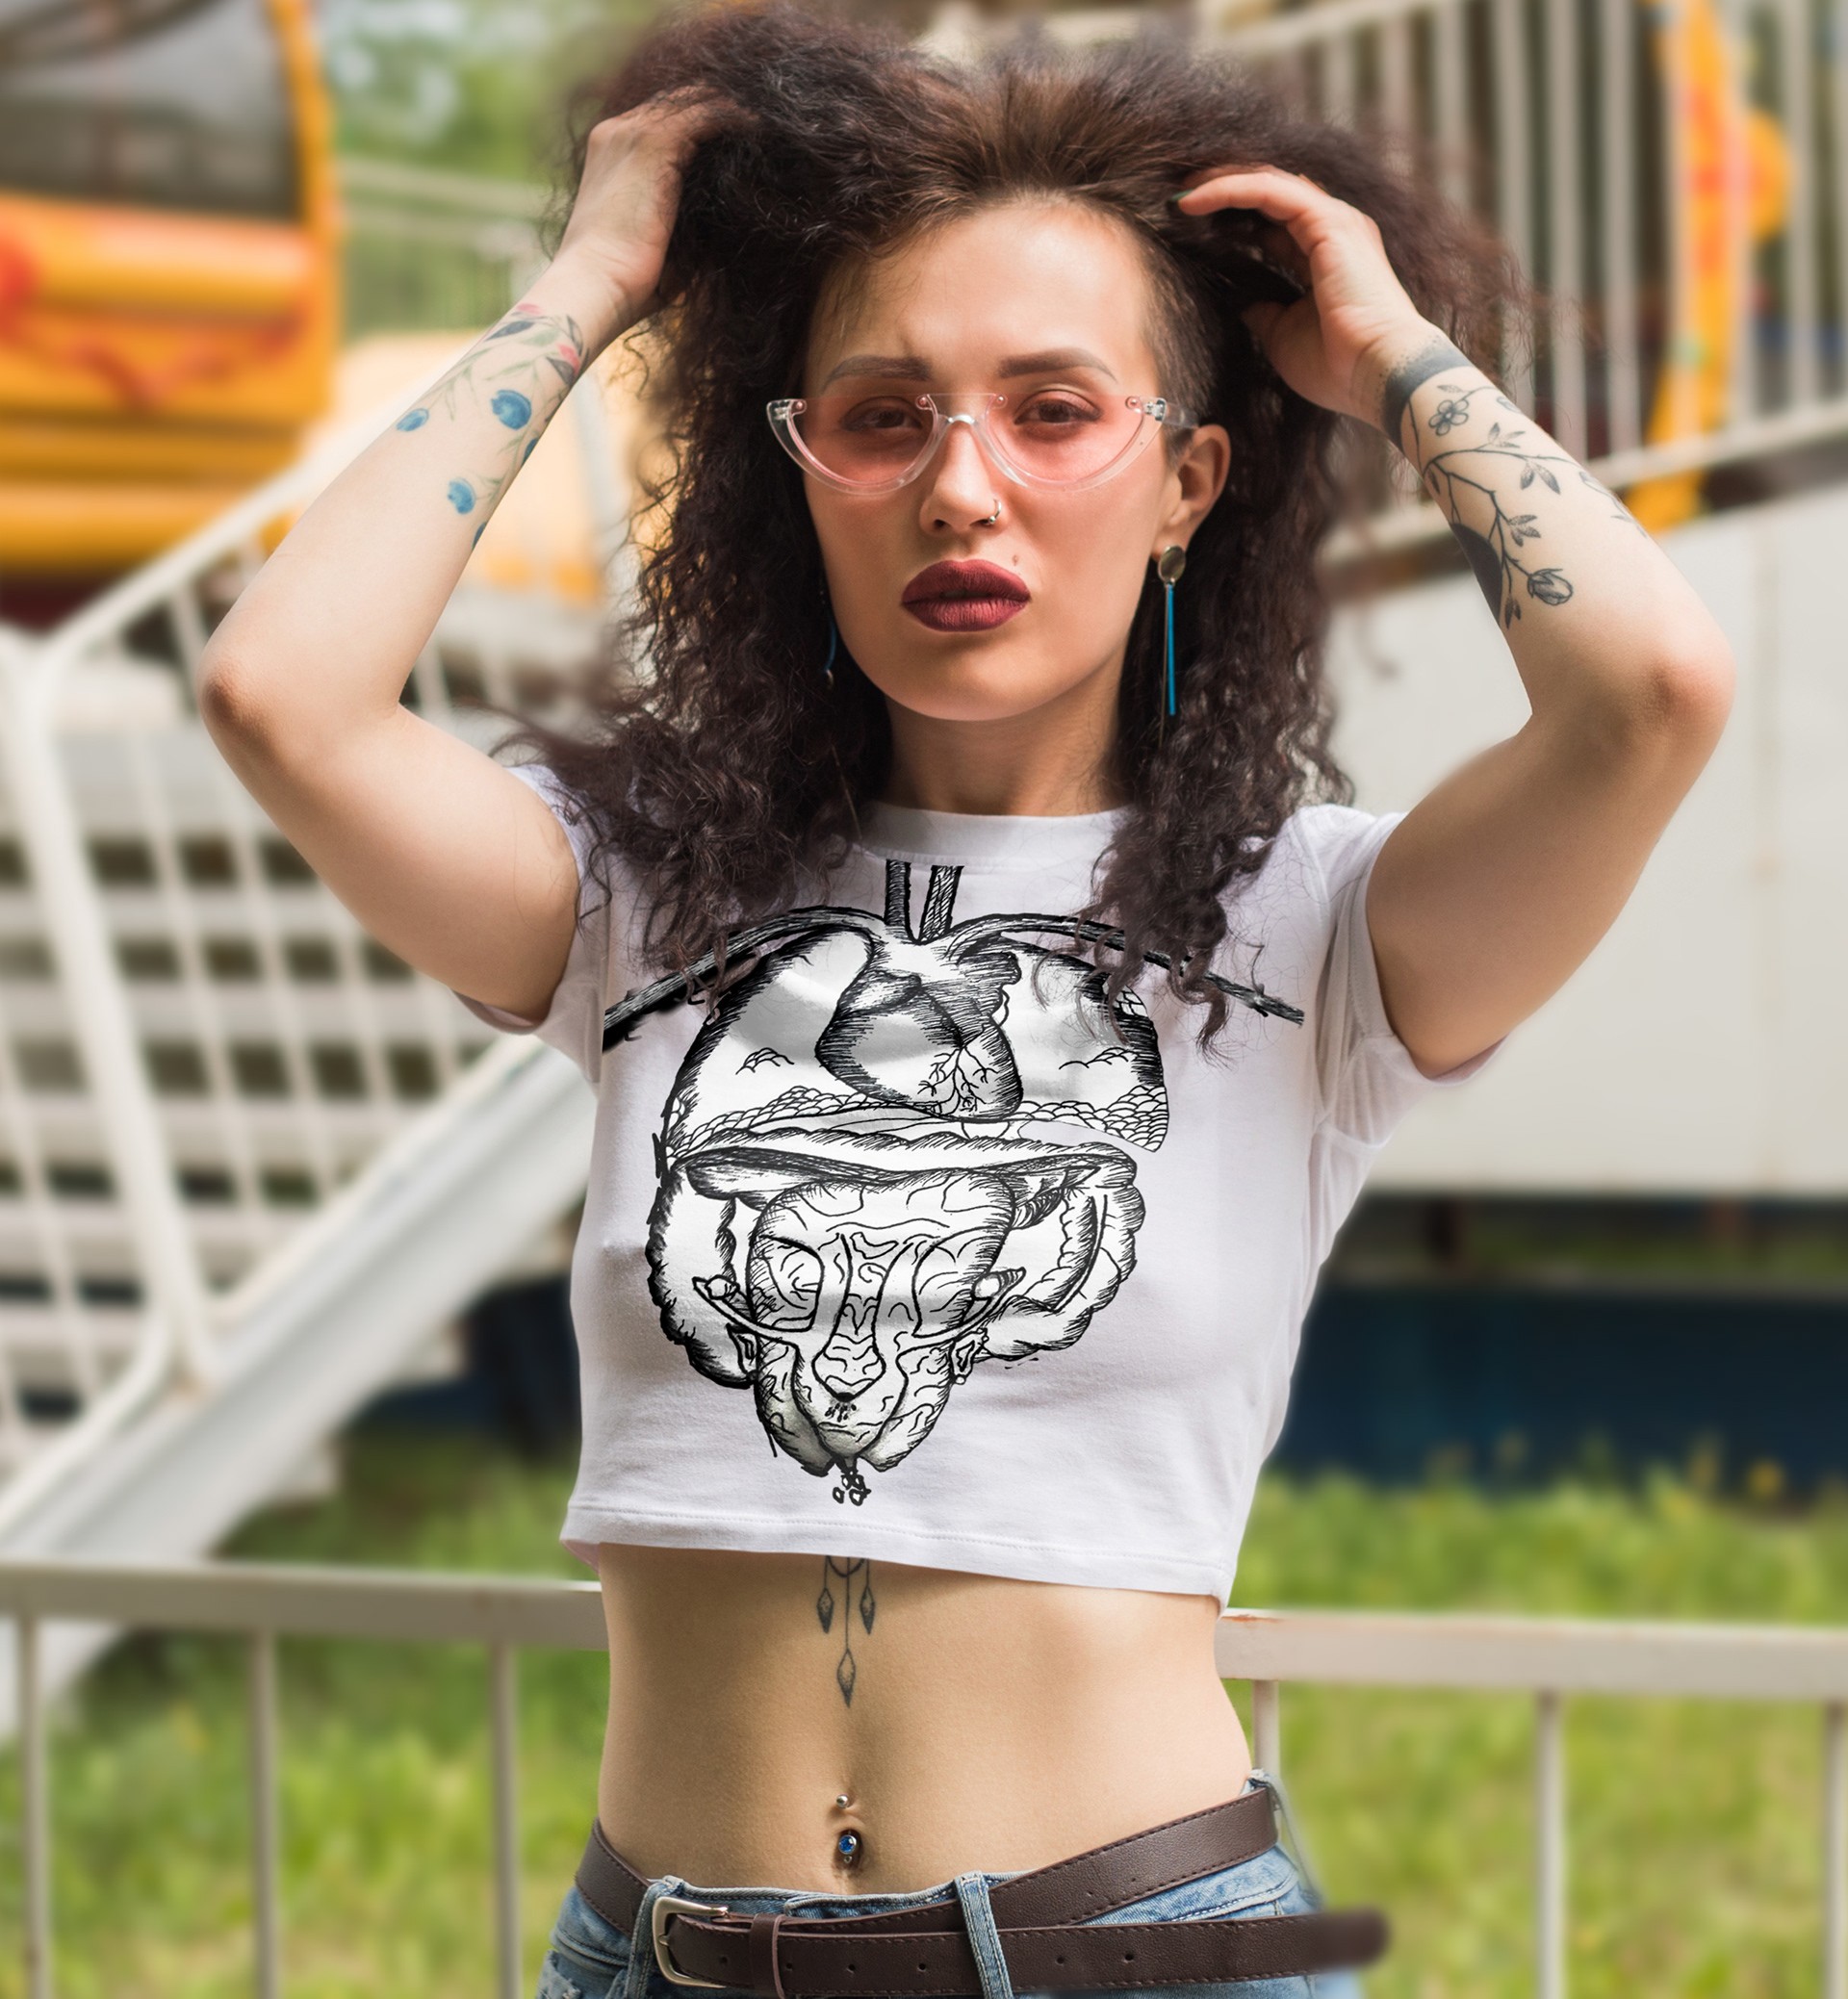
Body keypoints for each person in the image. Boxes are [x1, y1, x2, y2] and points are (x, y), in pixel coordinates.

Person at [197, 3, 1734, 1994]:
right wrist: (583, 294)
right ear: (798, 470)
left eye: (1055, 409)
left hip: (1131, 1951)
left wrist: (1390, 359)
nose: (961, 486)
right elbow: (282, 695)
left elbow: (1652, 693)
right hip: (656, 1954)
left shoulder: (1313, 928)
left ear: (1189, 480)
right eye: (883, 414)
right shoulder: (645, 892)